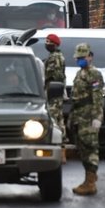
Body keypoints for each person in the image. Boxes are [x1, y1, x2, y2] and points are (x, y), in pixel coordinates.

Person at [69, 43, 104, 196]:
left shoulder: (94, 74)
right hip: (79, 115)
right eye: (79, 58)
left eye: (83, 57)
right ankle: (89, 178)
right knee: (82, 147)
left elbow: (97, 97)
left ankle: (90, 182)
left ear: (90, 57)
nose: (80, 60)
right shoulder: (79, 73)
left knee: (90, 148)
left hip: (89, 116)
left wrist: (97, 117)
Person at [44, 33, 67, 162]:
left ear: (55, 44)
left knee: (54, 120)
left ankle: (59, 150)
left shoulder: (55, 58)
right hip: (55, 93)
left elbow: (53, 76)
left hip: (53, 93)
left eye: (49, 41)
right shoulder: (56, 56)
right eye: (46, 41)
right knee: (59, 120)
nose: (47, 43)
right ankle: (61, 150)